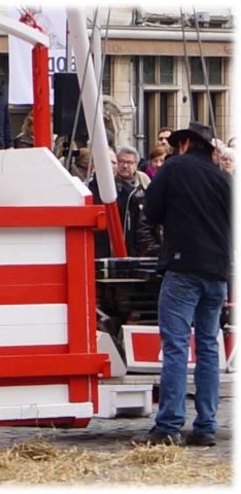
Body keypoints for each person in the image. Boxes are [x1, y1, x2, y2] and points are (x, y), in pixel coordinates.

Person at [133, 121, 232, 447]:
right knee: (207, 347)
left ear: (187, 144)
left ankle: (169, 425)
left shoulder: (174, 168)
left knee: (176, 346)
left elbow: (153, 211)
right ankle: (206, 425)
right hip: (217, 271)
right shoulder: (224, 180)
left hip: (183, 266)